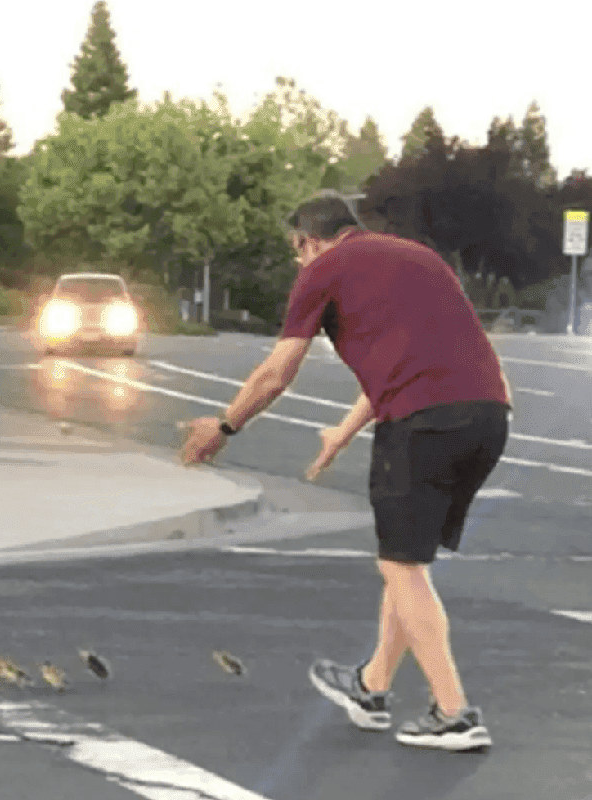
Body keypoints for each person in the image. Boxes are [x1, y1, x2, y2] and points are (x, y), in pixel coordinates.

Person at [180, 190, 512, 752]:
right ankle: (371, 686)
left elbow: (277, 372)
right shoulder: (419, 257)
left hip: (423, 425)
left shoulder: (324, 270)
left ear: (309, 241)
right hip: (487, 417)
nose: (298, 262)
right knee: (406, 561)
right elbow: (419, 359)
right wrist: (344, 430)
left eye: (297, 250)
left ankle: (454, 713)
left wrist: (226, 425)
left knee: (401, 567)